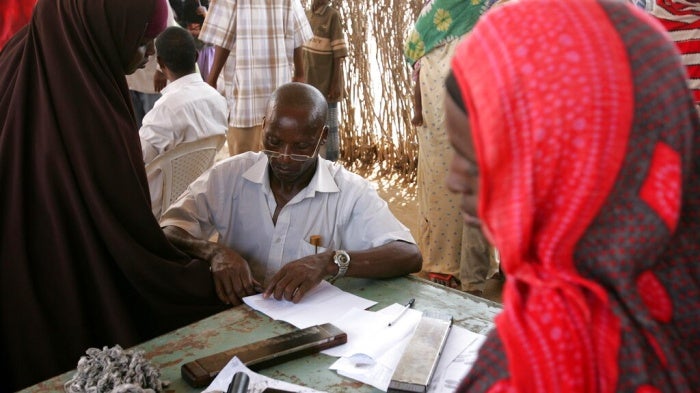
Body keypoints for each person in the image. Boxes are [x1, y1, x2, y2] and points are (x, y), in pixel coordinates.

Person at [445, 0, 700, 391]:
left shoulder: (533, 362)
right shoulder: (680, 286)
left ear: (571, 172)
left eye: (476, 159)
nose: (454, 180)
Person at [0, 0, 227, 390]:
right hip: (52, 295)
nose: (151, 55)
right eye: (142, 42)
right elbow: (125, 237)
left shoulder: (21, 60)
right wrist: (202, 261)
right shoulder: (89, 108)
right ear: (99, 31)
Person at [161, 82, 423, 305]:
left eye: (301, 146)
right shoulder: (229, 176)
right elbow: (169, 229)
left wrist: (329, 262)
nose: (284, 157)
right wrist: (213, 252)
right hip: (235, 315)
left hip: (311, 322)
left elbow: (408, 254)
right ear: (263, 127)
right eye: (274, 142)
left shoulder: (349, 192)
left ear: (323, 137)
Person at [403, 0, 493, 295]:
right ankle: (462, 270)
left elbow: (414, 55)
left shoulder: (432, 12)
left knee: (447, 183)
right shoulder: (487, 7)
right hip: (465, 101)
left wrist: (417, 107)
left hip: (440, 103)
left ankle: (444, 266)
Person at [198, 0, 313, 156]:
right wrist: (299, 73)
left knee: (244, 167)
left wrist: (211, 81)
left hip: (245, 100)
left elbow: (223, 39)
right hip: (279, 99)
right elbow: (298, 32)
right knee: (275, 162)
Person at [140, 26, 228, 219]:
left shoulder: (166, 109)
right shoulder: (218, 100)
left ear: (160, 63)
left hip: (157, 205)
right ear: (196, 56)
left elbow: (139, 158)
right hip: (196, 198)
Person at [302, 0, 348, 162]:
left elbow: (338, 54)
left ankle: (329, 163)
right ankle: (312, 162)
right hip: (308, 84)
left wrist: (335, 84)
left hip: (326, 84)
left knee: (328, 127)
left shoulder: (332, 16)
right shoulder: (306, 15)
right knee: (310, 126)